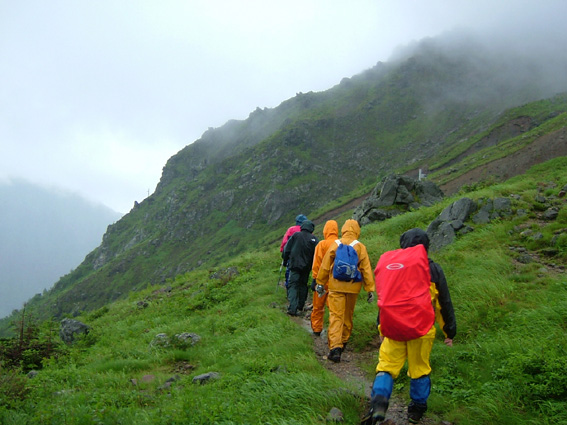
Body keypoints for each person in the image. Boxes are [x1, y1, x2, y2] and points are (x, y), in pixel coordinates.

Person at [368, 228, 456, 424]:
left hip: (393, 326)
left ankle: (379, 400)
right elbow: (443, 303)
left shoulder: (394, 267)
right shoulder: (432, 269)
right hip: (421, 328)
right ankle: (416, 411)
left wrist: (381, 327)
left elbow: (386, 299)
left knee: (386, 366)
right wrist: (449, 332)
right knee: (419, 368)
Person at [316, 219, 375, 362]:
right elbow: (366, 269)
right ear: (357, 231)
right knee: (348, 316)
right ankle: (343, 342)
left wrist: (320, 282)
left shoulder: (336, 244)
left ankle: (335, 347)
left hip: (336, 287)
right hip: (353, 287)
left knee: (336, 316)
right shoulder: (360, 247)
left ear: (343, 229)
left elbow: (325, 265)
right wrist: (370, 289)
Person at [282, 219, 318, 316]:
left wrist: (285, 260)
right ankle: (300, 306)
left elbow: (286, 249)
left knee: (293, 285)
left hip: (294, 266)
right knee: (303, 285)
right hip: (306, 268)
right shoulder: (314, 239)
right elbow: (317, 255)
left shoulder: (296, 235)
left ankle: (292, 308)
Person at [310, 220, 339, 336]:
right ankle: (334, 331)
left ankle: (317, 329)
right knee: (334, 309)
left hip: (321, 281)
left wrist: (315, 279)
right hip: (336, 281)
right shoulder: (341, 244)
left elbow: (317, 264)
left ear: (325, 230)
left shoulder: (321, 244)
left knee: (318, 306)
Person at [280, 214, 308, 291]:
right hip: (304, 257)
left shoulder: (291, 230)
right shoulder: (308, 231)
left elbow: (285, 242)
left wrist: (283, 251)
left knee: (290, 272)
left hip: (292, 256)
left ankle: (289, 288)